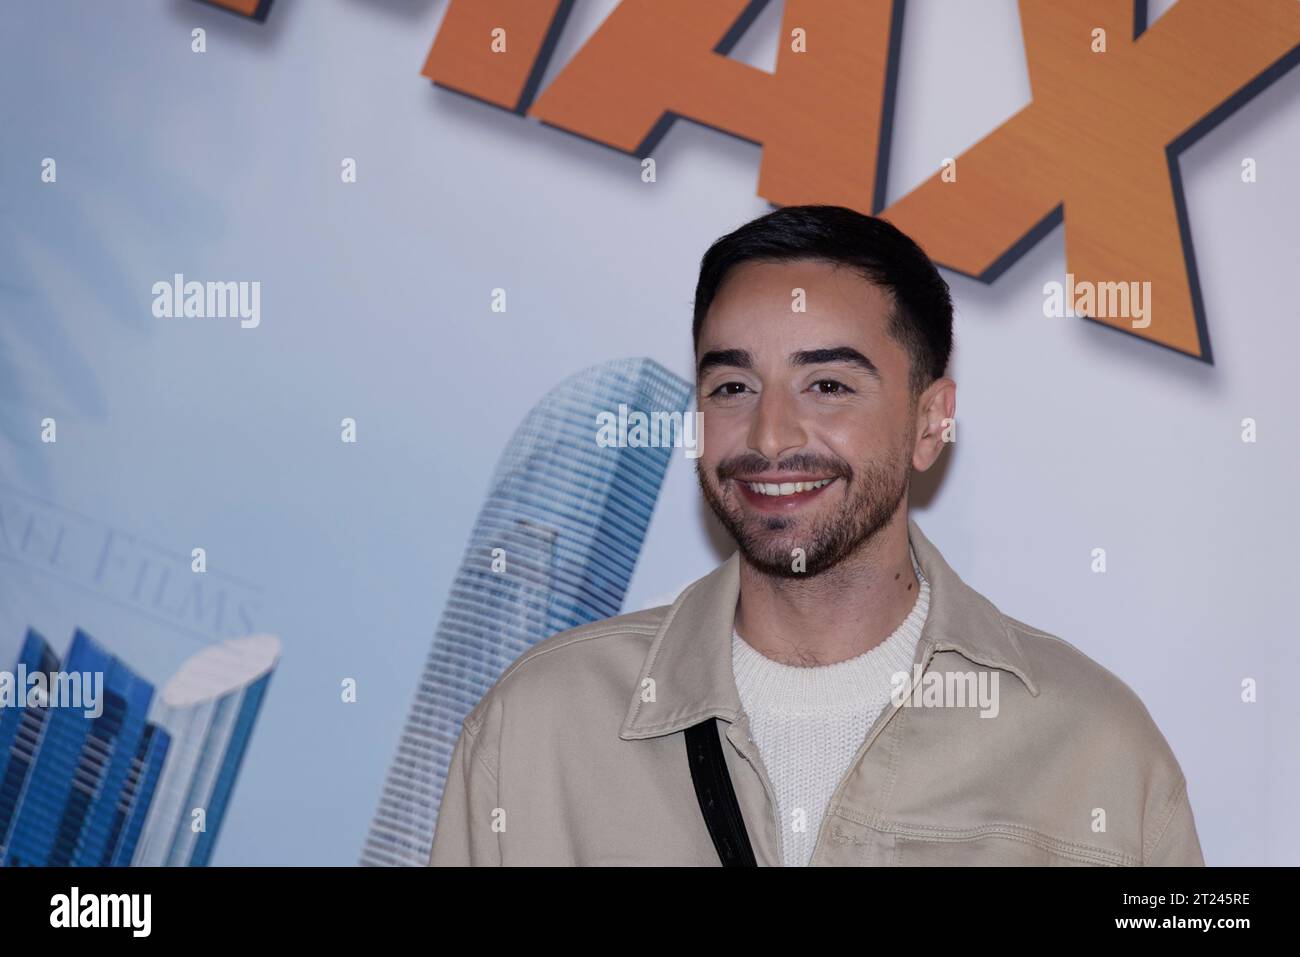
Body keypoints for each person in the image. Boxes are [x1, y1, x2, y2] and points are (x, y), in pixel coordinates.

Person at [428, 205, 1204, 866]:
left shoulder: (1094, 748)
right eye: (732, 386)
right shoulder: (538, 728)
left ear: (931, 421)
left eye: (827, 385)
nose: (768, 435)